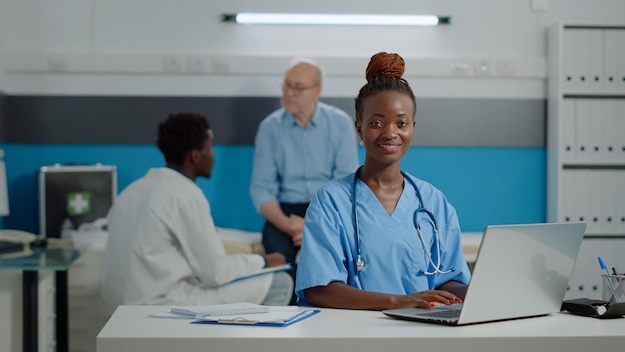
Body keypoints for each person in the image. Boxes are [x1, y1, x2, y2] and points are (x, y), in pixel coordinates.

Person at [295, 52, 471, 310]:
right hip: (351, 333)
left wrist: (488, 291)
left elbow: (448, 281)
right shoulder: (331, 201)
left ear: (412, 127)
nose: (390, 133)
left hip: (421, 331)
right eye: (377, 122)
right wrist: (399, 301)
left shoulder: (433, 201)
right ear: (359, 128)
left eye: (401, 123)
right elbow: (319, 290)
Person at [101, 112, 292, 314]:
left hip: (118, 308)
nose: (214, 154)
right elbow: (215, 272)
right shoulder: (186, 195)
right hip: (159, 307)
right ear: (195, 155)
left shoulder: (131, 192)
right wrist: (264, 260)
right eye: (210, 148)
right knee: (280, 282)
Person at [250, 57, 359, 303]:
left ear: (317, 91)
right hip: (283, 214)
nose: (289, 92)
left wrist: (312, 225)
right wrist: (290, 225)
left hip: (327, 211)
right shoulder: (270, 128)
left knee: (333, 267)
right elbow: (261, 189)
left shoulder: (339, 123)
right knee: (282, 270)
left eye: (298, 87)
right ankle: (286, 325)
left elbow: (345, 186)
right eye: (286, 85)